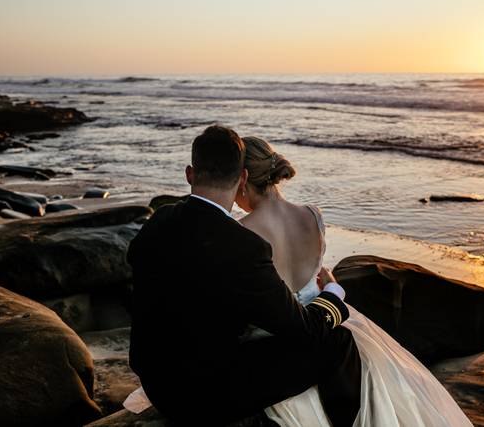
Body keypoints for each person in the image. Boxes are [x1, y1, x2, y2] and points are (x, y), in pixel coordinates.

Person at [126, 126, 362, 426]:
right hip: (205, 397)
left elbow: (137, 264)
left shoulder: (160, 220)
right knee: (336, 339)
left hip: (157, 383)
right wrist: (334, 294)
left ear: (189, 173)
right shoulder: (242, 247)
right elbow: (303, 329)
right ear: (243, 178)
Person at [235, 136, 474, 427]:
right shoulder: (312, 215)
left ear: (242, 180)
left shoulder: (240, 231)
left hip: (282, 347)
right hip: (332, 323)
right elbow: (317, 273)